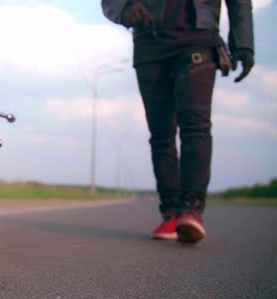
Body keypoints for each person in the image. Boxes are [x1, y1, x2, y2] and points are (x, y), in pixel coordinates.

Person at [101, 0, 255, 243]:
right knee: (161, 133)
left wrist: (244, 43)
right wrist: (125, 9)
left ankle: (191, 210)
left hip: (198, 39)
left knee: (195, 124)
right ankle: (171, 213)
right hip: (150, 43)